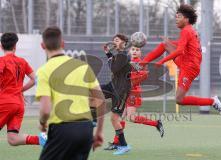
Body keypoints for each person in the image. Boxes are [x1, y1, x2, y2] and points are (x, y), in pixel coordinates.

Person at [140, 4, 221, 116]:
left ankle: (213, 101)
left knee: (179, 99)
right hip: (186, 62)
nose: (176, 19)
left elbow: (179, 51)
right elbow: (181, 47)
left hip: (190, 67)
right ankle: (142, 64)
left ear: (186, 19)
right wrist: (168, 45)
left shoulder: (187, 31)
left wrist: (162, 61)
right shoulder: (189, 30)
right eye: (176, 17)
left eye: (179, 17)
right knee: (165, 44)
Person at [36, 26, 105, 160]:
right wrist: (99, 131)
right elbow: (101, 101)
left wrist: (42, 123)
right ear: (63, 43)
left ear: (42, 45)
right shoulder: (83, 66)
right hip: (86, 129)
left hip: (62, 130)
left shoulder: (44, 71)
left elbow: (45, 110)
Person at [105, 45, 165, 151]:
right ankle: (117, 142)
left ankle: (156, 123)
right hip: (125, 92)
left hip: (133, 93)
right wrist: (109, 54)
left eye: (137, 50)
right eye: (133, 49)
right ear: (129, 51)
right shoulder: (128, 61)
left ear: (140, 53)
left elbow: (144, 73)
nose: (135, 51)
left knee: (131, 118)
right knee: (120, 118)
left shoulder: (139, 63)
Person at [0, 32, 45, 146]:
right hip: (19, 104)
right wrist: (21, 90)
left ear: (1, 46)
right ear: (15, 46)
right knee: (13, 139)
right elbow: (36, 79)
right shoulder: (22, 62)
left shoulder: (2, 61)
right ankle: (41, 139)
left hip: (5, 102)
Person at [101, 33, 131, 155]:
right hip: (113, 86)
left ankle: (124, 145)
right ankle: (92, 119)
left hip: (121, 91)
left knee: (114, 119)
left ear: (124, 42)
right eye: (113, 40)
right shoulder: (119, 55)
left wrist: (108, 55)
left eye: (117, 40)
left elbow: (113, 68)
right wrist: (108, 53)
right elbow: (114, 65)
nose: (114, 42)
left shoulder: (123, 55)